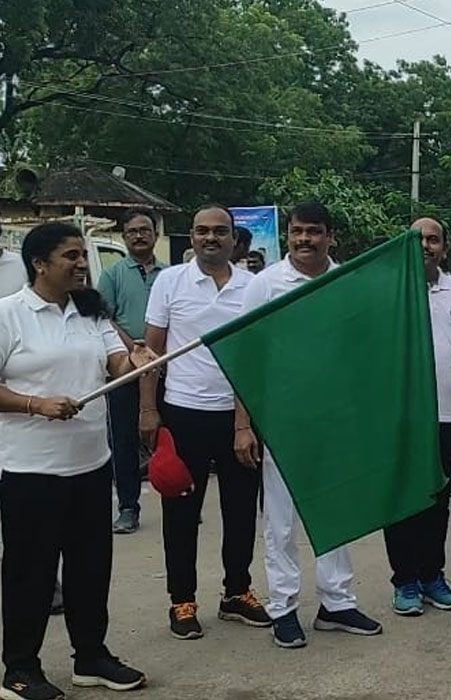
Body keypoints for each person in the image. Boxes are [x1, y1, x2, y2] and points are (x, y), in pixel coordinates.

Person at [0, 222, 153, 698]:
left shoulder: (92, 313)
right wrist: (35, 404)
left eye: (83, 255)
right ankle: (20, 669)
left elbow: (116, 367)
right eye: (71, 256)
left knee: (91, 567)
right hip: (30, 471)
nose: (82, 264)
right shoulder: (8, 315)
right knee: (31, 573)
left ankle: (92, 656)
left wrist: (138, 360)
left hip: (91, 465)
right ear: (39, 264)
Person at [233, 203, 382, 648]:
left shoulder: (345, 285)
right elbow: (245, 357)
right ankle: (283, 607)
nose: (304, 240)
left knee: (335, 510)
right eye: (297, 231)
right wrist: (244, 423)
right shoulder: (265, 286)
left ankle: (337, 602)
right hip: (283, 418)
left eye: (313, 232)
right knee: (281, 520)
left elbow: (361, 353)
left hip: (335, 418)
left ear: (329, 236)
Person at [141, 204, 269, 640]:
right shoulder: (169, 282)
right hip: (181, 414)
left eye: (220, 231)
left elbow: (254, 362)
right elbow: (151, 354)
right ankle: (182, 601)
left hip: (239, 418)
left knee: (240, 510)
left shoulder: (254, 287)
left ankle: (237, 593)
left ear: (235, 239)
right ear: (191, 237)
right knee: (180, 511)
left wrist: (243, 424)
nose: (210, 238)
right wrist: (148, 409)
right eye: (201, 231)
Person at [387, 218, 451, 613]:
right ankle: (404, 581)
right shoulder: (389, 288)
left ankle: (432, 576)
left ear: (444, 248)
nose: (425, 245)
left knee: (437, 499)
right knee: (401, 501)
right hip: (399, 417)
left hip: (445, 416)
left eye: (433, 240)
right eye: (418, 239)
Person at [95, 208, 165, 535]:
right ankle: (127, 507)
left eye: (145, 230)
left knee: (169, 437)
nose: (139, 235)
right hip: (123, 369)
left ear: (155, 234)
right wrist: (133, 351)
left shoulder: (170, 275)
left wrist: (156, 355)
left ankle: (180, 500)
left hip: (165, 367)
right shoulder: (113, 275)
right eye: (132, 231)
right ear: (124, 237)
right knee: (124, 440)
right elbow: (103, 317)